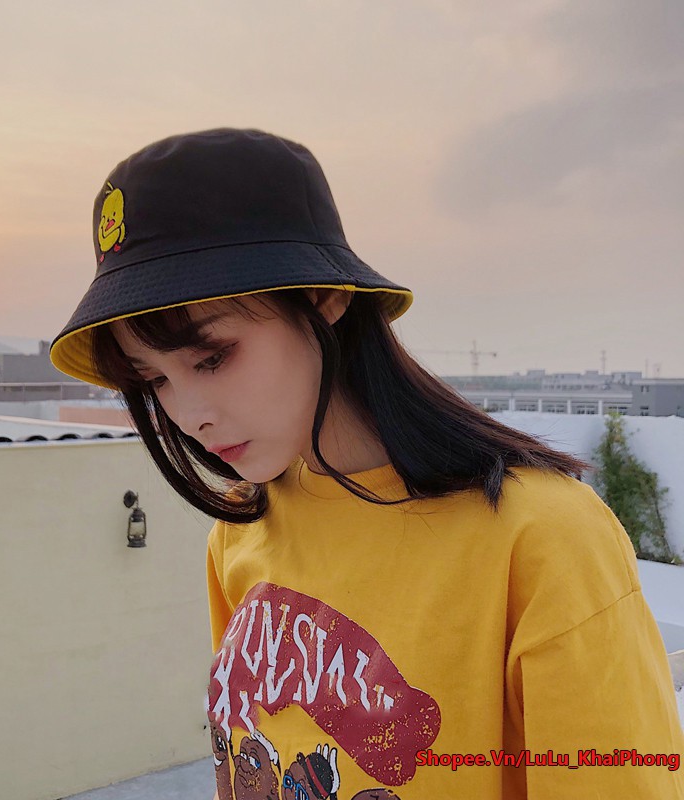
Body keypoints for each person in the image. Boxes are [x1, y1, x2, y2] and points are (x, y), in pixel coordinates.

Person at [50, 128, 684, 799]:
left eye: (211, 357)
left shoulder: (541, 538)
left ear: (325, 298)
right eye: (153, 380)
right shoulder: (240, 533)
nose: (187, 414)